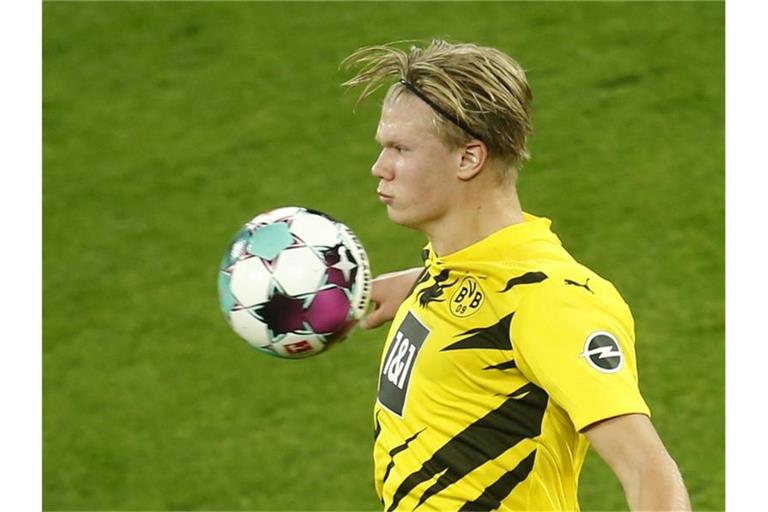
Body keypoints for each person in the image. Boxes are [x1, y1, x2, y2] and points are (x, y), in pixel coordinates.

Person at [341, 40, 691, 511]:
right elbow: (483, 297)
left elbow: (648, 472)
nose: (379, 168)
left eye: (399, 148)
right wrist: (414, 284)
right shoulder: (458, 269)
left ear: (469, 158)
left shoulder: (550, 300)